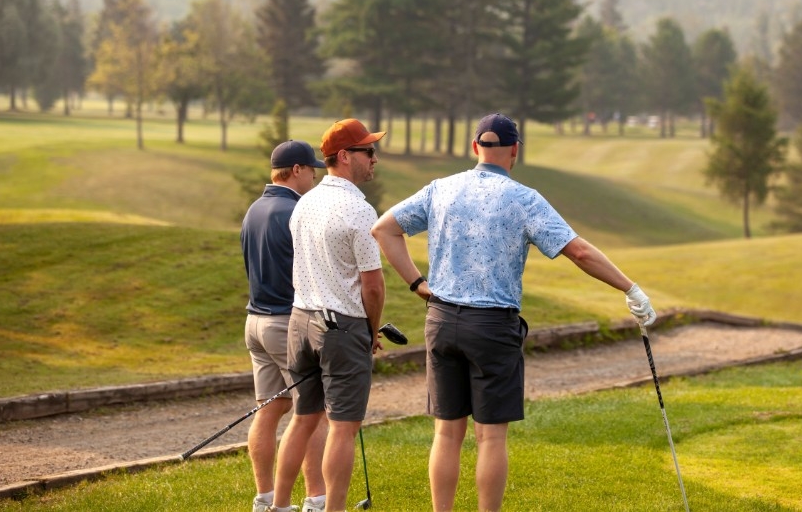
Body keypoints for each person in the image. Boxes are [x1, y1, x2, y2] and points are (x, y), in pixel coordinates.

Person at [370, 113, 657, 512]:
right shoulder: (524, 199)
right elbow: (579, 252)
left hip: (441, 321)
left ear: (475, 147)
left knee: (446, 433)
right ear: (515, 152)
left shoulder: (441, 189)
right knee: (490, 437)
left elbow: (384, 228)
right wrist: (630, 288)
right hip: (492, 327)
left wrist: (418, 284)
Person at [270, 119, 389, 512]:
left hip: (300, 321)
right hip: (341, 327)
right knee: (342, 427)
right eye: (368, 151)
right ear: (344, 156)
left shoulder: (304, 203)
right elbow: (373, 286)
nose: (374, 158)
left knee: (303, 418)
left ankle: (279, 505)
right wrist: (372, 330)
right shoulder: (360, 210)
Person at [241, 140, 330, 512]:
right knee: (313, 412)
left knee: (270, 408)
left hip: (255, 322)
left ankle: (264, 500)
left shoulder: (254, 210)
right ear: (296, 170)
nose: (314, 177)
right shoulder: (296, 212)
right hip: (285, 323)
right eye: (311, 170)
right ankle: (317, 498)